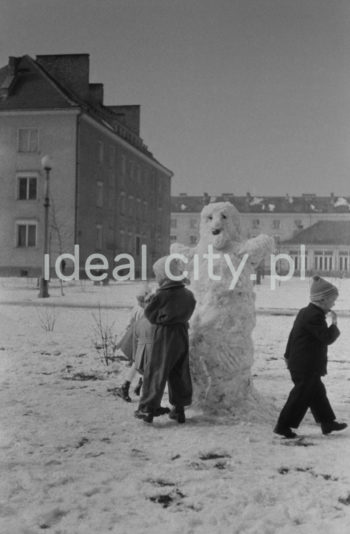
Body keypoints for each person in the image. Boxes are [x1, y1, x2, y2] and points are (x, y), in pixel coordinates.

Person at [274, 275, 347, 439]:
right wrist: (334, 324)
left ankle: (327, 422)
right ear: (322, 300)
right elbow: (326, 338)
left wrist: (287, 355)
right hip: (306, 366)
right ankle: (283, 426)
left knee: (317, 393)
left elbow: (293, 336)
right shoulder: (314, 316)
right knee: (300, 397)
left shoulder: (305, 312)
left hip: (301, 363)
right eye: (332, 300)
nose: (334, 304)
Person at [135, 256, 196, 424]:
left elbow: (150, 315)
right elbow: (191, 309)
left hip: (164, 334)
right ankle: (179, 409)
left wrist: (156, 313)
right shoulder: (188, 294)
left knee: (156, 370)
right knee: (179, 371)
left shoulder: (161, 295)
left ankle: (147, 409)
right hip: (182, 334)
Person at [115, 284, 151, 402]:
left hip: (137, 337)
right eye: (140, 299)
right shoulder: (144, 310)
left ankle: (139, 385)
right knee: (138, 363)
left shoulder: (137, 309)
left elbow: (130, 323)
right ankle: (126, 386)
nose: (141, 302)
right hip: (140, 338)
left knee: (141, 362)